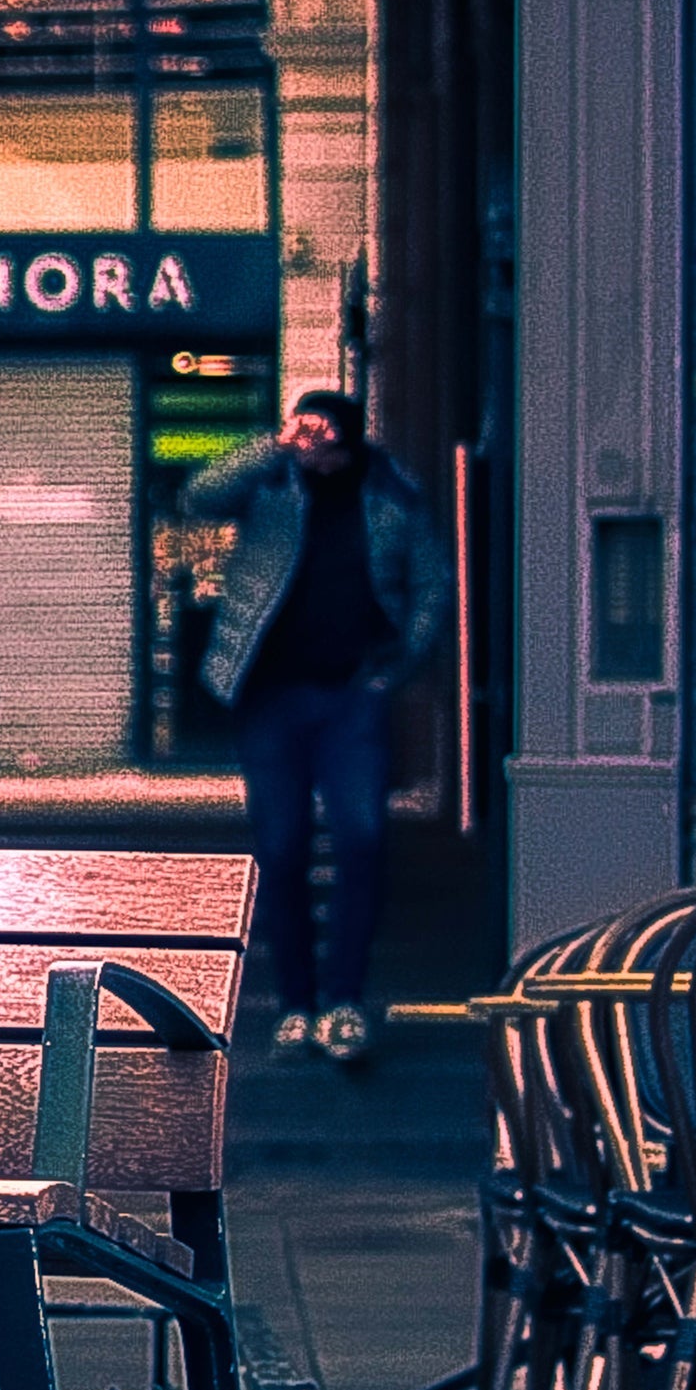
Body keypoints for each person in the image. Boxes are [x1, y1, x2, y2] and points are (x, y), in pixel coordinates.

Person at [183, 390, 449, 1063]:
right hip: (269, 697)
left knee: (361, 838)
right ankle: (296, 1006)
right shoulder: (272, 481)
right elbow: (200, 494)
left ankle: (345, 1002)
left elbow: (431, 583)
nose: (314, 446)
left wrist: (400, 664)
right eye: (305, 432)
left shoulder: (390, 490)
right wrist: (273, 445)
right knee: (283, 848)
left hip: (351, 696)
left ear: (350, 439)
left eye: (324, 435)